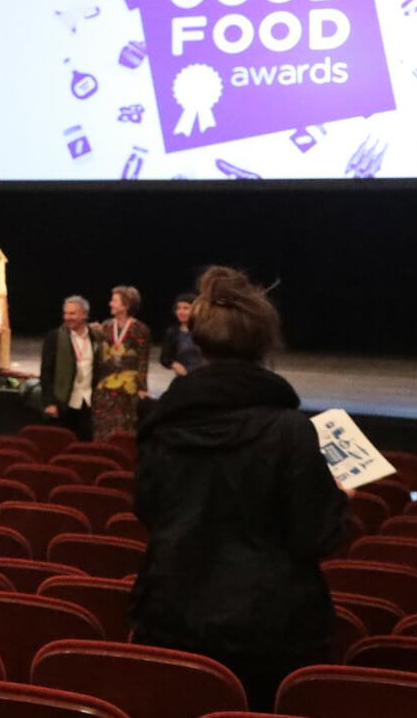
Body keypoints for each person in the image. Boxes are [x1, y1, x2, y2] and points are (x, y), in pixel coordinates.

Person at [130, 266, 349, 710]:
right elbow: (319, 537)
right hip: (269, 634)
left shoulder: (161, 425)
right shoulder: (290, 431)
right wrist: (340, 499)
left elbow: (148, 509)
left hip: (170, 618)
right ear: (265, 343)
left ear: (199, 340)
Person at [91, 284, 150, 440]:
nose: (110, 304)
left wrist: (142, 387)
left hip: (127, 387)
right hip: (105, 386)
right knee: (103, 426)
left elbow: (143, 359)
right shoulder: (106, 326)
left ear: (126, 305)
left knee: (124, 427)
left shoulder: (140, 329)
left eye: (114, 301)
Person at [39, 295, 99, 442]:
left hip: (87, 402)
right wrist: (49, 402)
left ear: (84, 315)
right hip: (63, 403)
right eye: (65, 313)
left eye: (72, 313)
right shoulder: (55, 337)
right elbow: (46, 372)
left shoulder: (95, 336)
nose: (67, 317)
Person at [159, 291, 204, 376]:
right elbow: (165, 358)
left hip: (204, 378)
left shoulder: (204, 331)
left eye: (186, 308)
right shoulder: (173, 332)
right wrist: (174, 365)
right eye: (178, 308)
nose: (181, 312)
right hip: (184, 378)